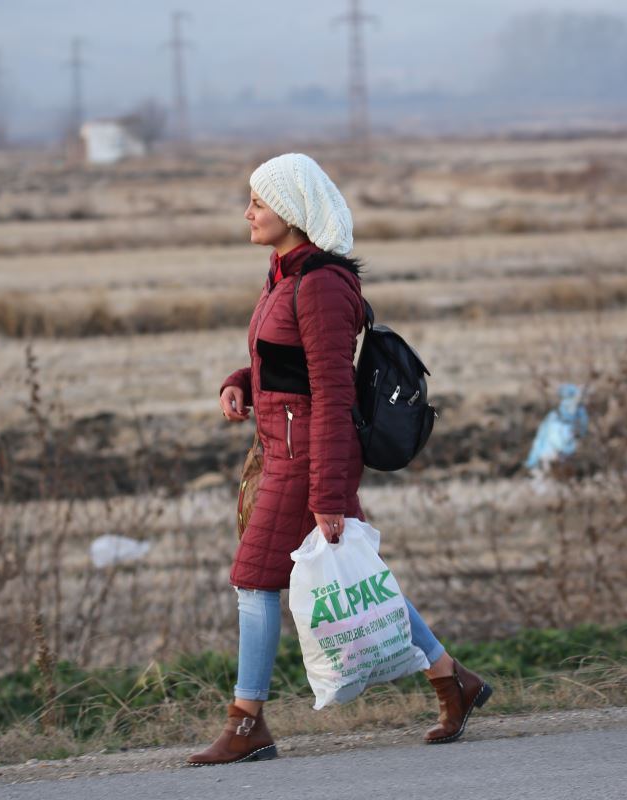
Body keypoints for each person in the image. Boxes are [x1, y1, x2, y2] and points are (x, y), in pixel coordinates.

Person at [188, 153, 492, 766]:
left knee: (252, 578)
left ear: (294, 212)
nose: (248, 212)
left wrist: (328, 495)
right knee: (359, 576)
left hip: (308, 459)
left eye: (260, 202)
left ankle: (247, 723)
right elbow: (286, 361)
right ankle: (449, 677)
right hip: (284, 447)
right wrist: (241, 380)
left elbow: (331, 391)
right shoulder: (284, 272)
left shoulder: (322, 285)